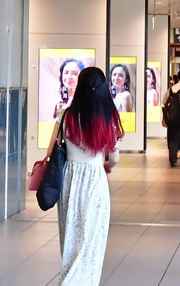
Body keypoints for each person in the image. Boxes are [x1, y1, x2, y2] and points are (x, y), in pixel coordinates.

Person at [51, 67, 123, 286]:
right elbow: (114, 158)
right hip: (95, 179)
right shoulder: (109, 118)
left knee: (71, 237)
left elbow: (50, 153)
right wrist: (106, 167)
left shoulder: (65, 116)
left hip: (69, 179)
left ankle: (69, 279)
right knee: (91, 240)